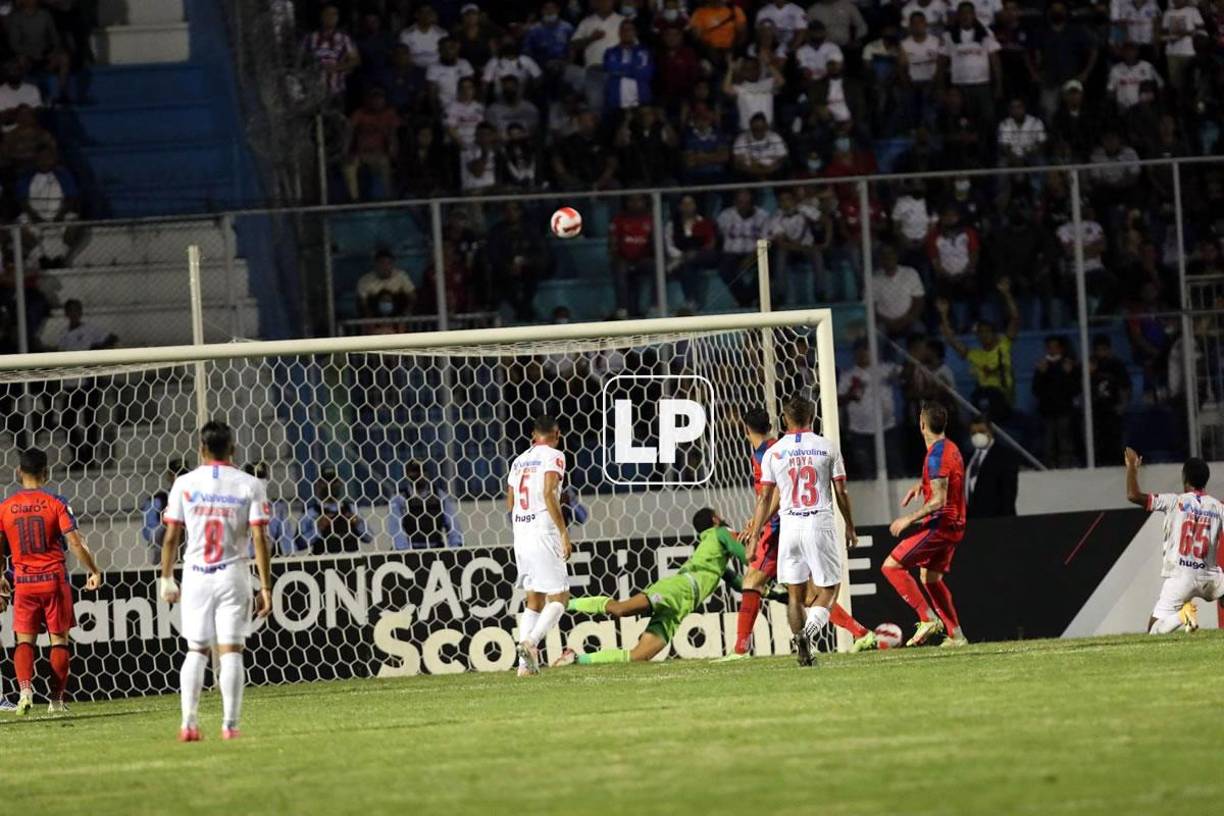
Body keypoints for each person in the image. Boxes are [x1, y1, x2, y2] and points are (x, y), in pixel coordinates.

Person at [723, 409, 870, 659]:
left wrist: (757, 529)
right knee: (814, 593)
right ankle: (859, 633)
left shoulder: (770, 454)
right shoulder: (788, 447)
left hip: (783, 527)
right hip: (804, 524)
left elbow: (772, 496)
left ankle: (740, 649)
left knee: (758, 583)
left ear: (746, 431)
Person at [160, 421, 273, 741]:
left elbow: (171, 537)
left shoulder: (184, 483)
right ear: (233, 449)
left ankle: (189, 724)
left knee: (195, 651)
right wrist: (265, 586)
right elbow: (260, 538)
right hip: (233, 574)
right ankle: (230, 726)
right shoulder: (250, 484)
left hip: (195, 575)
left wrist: (166, 577)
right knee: (232, 652)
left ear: (201, 449)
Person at [556, 507, 745, 665]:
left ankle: (575, 660)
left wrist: (772, 593)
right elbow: (747, 555)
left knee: (639, 656)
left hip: (680, 608)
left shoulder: (715, 561)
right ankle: (565, 604)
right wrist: (761, 559)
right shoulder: (722, 532)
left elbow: (741, 585)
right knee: (621, 609)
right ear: (715, 519)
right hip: (677, 590)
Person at [0, 448, 102, 715]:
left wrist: (1, 576)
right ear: (46, 472)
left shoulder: (5, 508)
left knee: (25, 641)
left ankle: (24, 691)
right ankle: (56, 702)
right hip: (54, 580)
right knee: (59, 642)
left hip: (23, 582)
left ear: (18, 472)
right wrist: (93, 570)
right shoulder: (56, 503)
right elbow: (75, 543)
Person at [883, 401, 968, 648]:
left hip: (940, 525)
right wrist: (922, 485)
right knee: (930, 578)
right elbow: (947, 480)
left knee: (891, 566)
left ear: (921, 425)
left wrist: (909, 518)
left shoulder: (936, 456)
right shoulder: (950, 448)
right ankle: (956, 635)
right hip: (955, 524)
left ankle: (927, 618)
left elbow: (940, 500)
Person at [1124, 449, 1224, 634]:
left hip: (1181, 577)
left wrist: (1131, 467)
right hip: (1210, 576)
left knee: (1154, 629)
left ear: (1185, 478)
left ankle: (1182, 616)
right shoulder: (1218, 507)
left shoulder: (1173, 501)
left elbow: (1133, 495)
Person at [507, 415, 572, 676]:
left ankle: (524, 667)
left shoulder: (518, 460)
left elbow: (509, 503)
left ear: (534, 435)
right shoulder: (554, 456)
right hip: (543, 531)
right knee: (559, 597)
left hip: (520, 533)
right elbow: (548, 492)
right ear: (556, 435)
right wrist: (563, 532)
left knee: (533, 599)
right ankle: (530, 643)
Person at [938, 277, 1020, 420]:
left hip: (1003, 396)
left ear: (994, 333)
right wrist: (944, 314)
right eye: (980, 333)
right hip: (984, 396)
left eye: (987, 331)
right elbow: (951, 340)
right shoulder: (974, 354)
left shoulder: (1004, 344)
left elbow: (1015, 318)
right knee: (979, 399)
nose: (983, 335)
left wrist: (1007, 294)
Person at [57, 300, 117, 470]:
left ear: (81, 312)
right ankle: (78, 456)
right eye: (71, 311)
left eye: (77, 310)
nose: (75, 314)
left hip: (88, 381)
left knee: (90, 420)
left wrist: (96, 350)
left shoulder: (91, 330)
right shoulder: (63, 334)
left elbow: (112, 338)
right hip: (70, 382)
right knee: (67, 420)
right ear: (66, 314)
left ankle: (89, 459)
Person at [838, 341, 902, 479]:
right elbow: (838, 400)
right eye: (859, 352)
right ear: (855, 354)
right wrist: (851, 393)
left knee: (894, 466)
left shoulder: (884, 369)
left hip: (887, 427)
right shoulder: (848, 375)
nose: (863, 355)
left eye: (866, 351)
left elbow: (903, 373)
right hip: (860, 430)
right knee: (866, 471)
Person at [1032, 335, 1079, 468]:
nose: (1052, 350)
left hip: (1065, 410)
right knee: (1048, 442)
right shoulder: (1042, 366)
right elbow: (1036, 390)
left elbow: (1075, 389)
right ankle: (1049, 467)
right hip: (1047, 411)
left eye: (1055, 347)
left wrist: (1068, 374)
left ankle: (1066, 466)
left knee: (1065, 441)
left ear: (1061, 348)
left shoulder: (1069, 365)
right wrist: (1041, 374)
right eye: (1049, 347)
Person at [609, 193, 654, 318]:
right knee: (619, 268)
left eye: (638, 200)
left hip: (644, 260)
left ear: (644, 202)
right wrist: (617, 257)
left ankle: (654, 306)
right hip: (624, 260)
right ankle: (622, 309)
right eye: (631, 201)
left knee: (657, 266)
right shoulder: (619, 219)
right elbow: (612, 243)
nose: (634, 204)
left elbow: (656, 244)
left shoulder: (650, 219)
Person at [965, 415, 1018, 518]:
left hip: (994, 522)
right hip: (971, 522)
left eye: (981, 431)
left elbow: (1008, 494)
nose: (977, 435)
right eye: (973, 433)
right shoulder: (967, 457)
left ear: (991, 431)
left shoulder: (1005, 456)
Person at [1090, 334, 1132, 457]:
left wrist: (1122, 405)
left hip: (1113, 409)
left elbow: (1125, 386)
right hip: (1096, 410)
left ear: (1109, 349)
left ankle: (1116, 460)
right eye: (1098, 350)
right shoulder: (1090, 366)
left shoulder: (1117, 365)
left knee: (1115, 439)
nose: (1101, 353)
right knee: (1098, 440)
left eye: (1103, 349)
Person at [356, 249, 416, 319]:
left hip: (398, 314)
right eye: (382, 263)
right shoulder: (365, 280)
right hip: (374, 315)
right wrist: (370, 317)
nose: (386, 267)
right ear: (375, 264)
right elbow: (363, 302)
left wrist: (407, 311)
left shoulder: (401, 276)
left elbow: (412, 296)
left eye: (389, 263)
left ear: (393, 264)